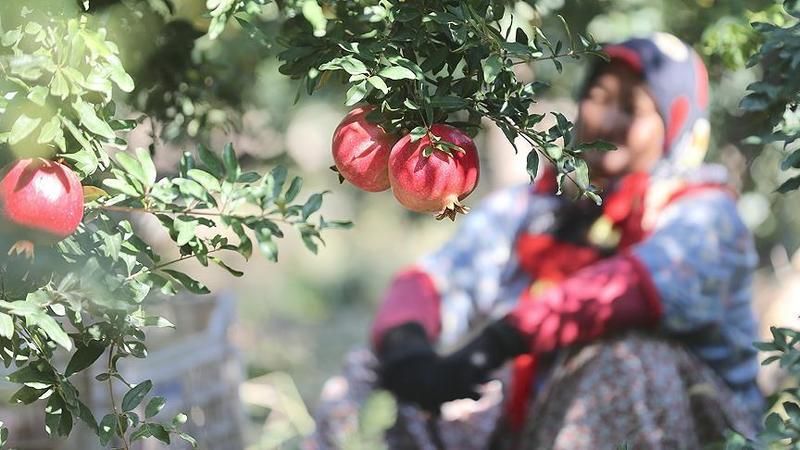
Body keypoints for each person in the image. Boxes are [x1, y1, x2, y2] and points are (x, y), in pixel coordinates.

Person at [310, 33, 763, 450]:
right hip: (538, 415)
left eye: (632, 108)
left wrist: (502, 340)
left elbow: (626, 290)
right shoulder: (542, 204)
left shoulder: (706, 216)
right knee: (372, 373)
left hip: (700, 428)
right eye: (598, 97)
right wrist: (405, 345)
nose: (606, 119)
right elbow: (440, 276)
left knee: (627, 361)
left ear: (676, 126)